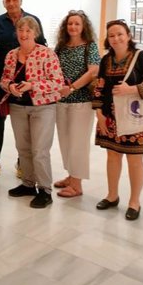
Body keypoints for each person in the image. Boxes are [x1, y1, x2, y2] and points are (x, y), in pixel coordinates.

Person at [92, 20, 143, 221]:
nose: (115, 38)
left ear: (128, 36)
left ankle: (134, 202)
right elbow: (99, 86)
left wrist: (130, 89)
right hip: (110, 118)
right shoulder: (106, 60)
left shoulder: (142, 57)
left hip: (135, 118)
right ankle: (112, 195)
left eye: (119, 34)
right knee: (112, 156)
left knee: (134, 160)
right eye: (111, 35)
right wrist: (98, 113)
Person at [0, 16, 64, 209]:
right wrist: (10, 87)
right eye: (21, 30)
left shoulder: (47, 54)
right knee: (23, 148)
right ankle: (28, 184)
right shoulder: (11, 55)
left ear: (35, 33)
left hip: (43, 107)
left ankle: (45, 190)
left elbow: (58, 82)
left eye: (28, 30)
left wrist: (32, 86)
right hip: (18, 107)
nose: (24, 34)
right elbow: (4, 79)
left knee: (39, 151)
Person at [0, 0, 46, 176]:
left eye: (14, 0)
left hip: (28, 79)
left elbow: (42, 46)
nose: (11, 3)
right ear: (4, 3)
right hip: (3, 79)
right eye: (8, 0)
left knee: (25, 123)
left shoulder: (33, 19)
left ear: (21, 0)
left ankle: (23, 163)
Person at [53, 10, 100, 198]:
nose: (73, 27)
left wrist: (71, 88)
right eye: (70, 23)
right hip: (60, 101)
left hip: (81, 102)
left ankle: (77, 184)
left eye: (77, 24)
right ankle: (71, 176)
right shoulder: (61, 46)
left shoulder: (90, 46)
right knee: (65, 141)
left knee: (78, 143)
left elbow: (93, 72)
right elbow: (53, 68)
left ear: (83, 27)